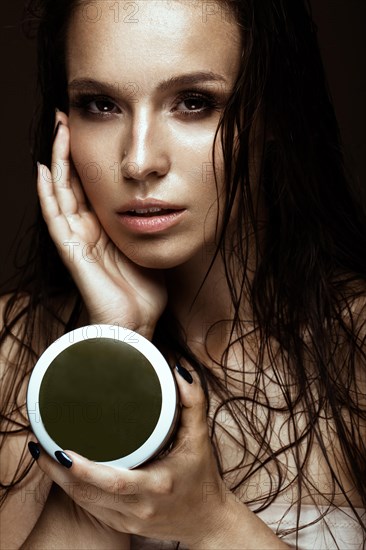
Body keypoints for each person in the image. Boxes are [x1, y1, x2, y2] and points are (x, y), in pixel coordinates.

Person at [1, 0, 365, 548]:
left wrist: (211, 522)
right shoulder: (12, 348)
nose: (139, 160)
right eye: (100, 105)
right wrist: (114, 350)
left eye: (194, 102)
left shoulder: (356, 347)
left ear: (276, 115)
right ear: (64, 126)